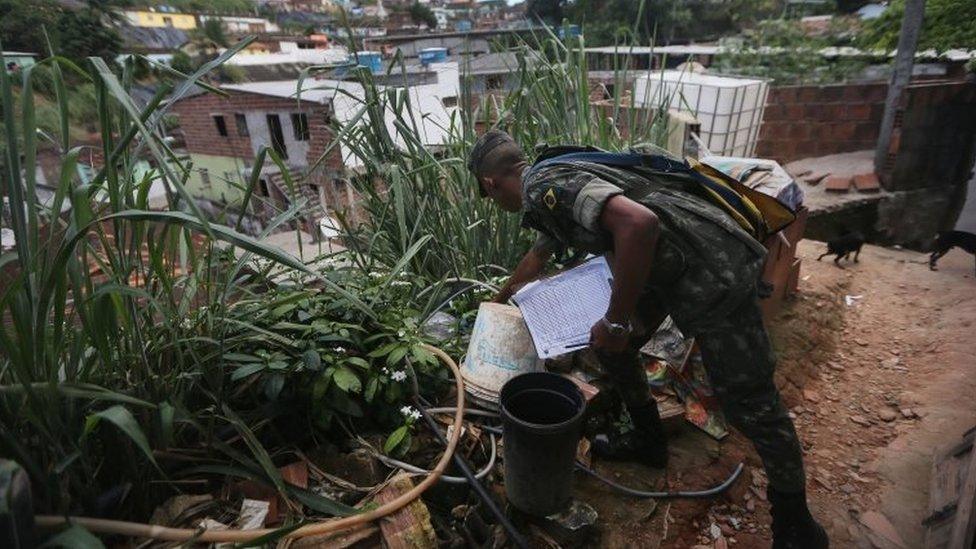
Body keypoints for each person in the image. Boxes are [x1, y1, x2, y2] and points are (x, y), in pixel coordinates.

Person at [467, 130, 828, 549]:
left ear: (490, 184)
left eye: (490, 198)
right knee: (606, 346)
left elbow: (639, 224)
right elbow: (538, 257)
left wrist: (617, 320)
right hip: (670, 267)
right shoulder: (551, 177)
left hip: (712, 267)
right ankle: (648, 438)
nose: (497, 205)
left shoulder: (547, 185)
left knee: (750, 401)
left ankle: (795, 521)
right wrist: (497, 301)